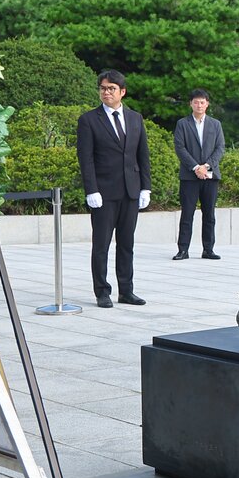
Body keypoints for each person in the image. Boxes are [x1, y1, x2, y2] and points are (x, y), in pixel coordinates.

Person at [76, 70, 151, 308]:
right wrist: (91, 189)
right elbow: (85, 159)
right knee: (101, 245)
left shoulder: (135, 118)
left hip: (131, 191)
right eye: (103, 88)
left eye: (111, 89)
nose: (106, 92)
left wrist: (145, 188)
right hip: (104, 194)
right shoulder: (89, 120)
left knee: (126, 244)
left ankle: (126, 291)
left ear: (122, 92)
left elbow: (143, 156)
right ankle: (102, 291)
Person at [172, 88, 225, 261]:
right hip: (189, 175)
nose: (199, 105)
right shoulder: (182, 123)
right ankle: (183, 250)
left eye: (202, 102)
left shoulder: (215, 124)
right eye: (196, 102)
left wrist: (206, 166)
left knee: (209, 214)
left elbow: (220, 148)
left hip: (210, 174)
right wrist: (196, 167)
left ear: (207, 104)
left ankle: (208, 250)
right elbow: (180, 148)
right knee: (187, 213)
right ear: (191, 104)